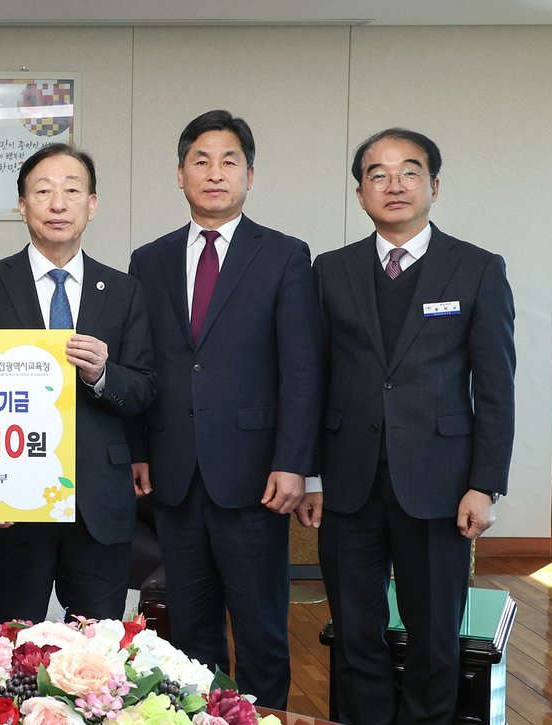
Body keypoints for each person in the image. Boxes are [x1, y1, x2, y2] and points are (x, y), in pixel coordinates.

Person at [307, 129, 514, 724]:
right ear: (360, 193)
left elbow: (495, 387)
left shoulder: (476, 268)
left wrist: (484, 484)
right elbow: (312, 378)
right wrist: (312, 474)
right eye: (378, 174)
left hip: (440, 484)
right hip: (348, 482)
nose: (393, 185)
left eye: (409, 172)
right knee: (355, 632)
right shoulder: (331, 270)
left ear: (434, 186)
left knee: (433, 635)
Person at [127, 110, 322, 709]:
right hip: (175, 472)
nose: (215, 173)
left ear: (249, 176)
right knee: (190, 634)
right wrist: (139, 449)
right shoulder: (149, 259)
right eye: (201, 161)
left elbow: (302, 368)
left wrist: (295, 462)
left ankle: (264, 719)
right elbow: (142, 362)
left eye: (229, 161)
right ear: (180, 175)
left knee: (261, 630)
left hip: (256, 474)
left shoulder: (285, 255)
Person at [0, 143, 155, 625]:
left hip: (98, 499)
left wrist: (102, 374)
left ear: (92, 205)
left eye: (72, 191)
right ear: (22, 206)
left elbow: (144, 389)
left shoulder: (124, 290)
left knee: (99, 650)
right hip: (11, 497)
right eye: (43, 191)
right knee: (13, 644)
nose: (58, 204)